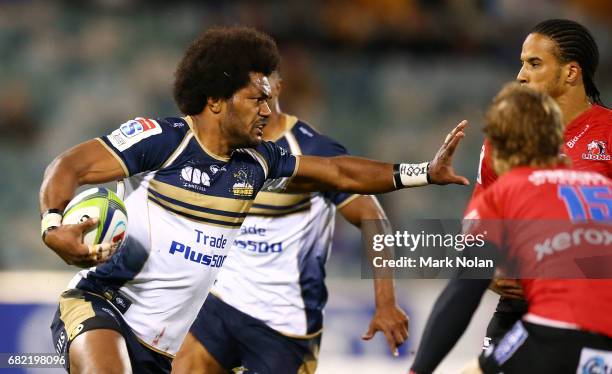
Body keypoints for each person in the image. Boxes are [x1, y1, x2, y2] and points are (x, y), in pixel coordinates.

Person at [40, 27, 468, 373]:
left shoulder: (260, 162)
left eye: (269, 98)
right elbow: (67, 167)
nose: (267, 110)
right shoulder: (162, 141)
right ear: (215, 101)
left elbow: (338, 172)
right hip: (103, 305)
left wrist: (422, 173)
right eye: (256, 99)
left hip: (165, 348)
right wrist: (52, 226)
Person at [171, 70, 409, 374]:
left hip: (286, 324)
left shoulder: (312, 150)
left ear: (278, 86)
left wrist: (386, 302)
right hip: (221, 306)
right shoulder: (221, 144)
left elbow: (372, 216)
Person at [410, 83, 612, 374]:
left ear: (498, 147)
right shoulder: (603, 189)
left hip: (552, 334)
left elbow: (463, 290)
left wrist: (418, 370)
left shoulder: (505, 193)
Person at [474, 18, 611, 348]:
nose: (521, 75)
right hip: (518, 309)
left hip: (594, 310)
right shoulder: (504, 138)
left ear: (571, 73)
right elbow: (479, 225)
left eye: (534, 64)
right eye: (522, 64)